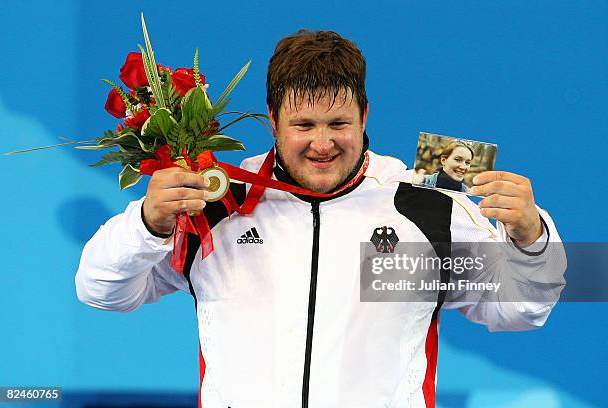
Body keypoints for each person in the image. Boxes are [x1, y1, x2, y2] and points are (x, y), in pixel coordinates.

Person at [76, 30, 566, 408]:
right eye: (303, 125)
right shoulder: (215, 202)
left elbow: (521, 311)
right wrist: (148, 223)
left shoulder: (426, 207)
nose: (323, 144)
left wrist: (531, 239)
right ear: (273, 121)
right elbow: (101, 291)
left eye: (339, 124)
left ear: (365, 116)